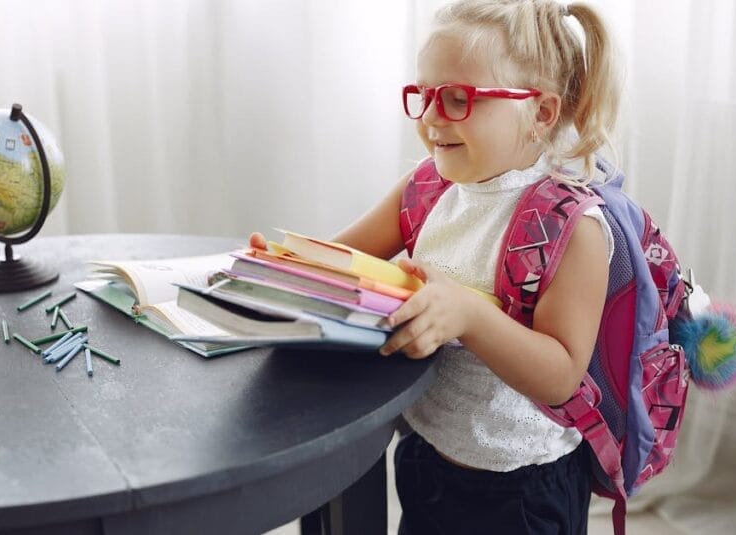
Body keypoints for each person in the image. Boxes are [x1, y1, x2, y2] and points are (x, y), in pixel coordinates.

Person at [251, 0, 620, 533]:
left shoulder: (573, 227)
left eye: (457, 99)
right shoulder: (427, 187)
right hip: (427, 452)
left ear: (539, 112)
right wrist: (280, 266)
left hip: (521, 486)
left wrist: (468, 315)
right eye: (424, 96)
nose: (429, 119)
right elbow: (343, 259)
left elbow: (562, 376)